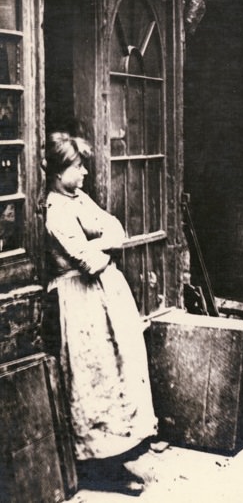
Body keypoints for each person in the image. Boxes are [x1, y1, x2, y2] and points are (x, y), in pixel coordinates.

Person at [42, 132, 157, 496]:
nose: (86, 172)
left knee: (118, 374)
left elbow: (116, 228)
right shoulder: (55, 211)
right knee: (93, 379)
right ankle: (95, 463)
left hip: (102, 300)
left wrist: (102, 244)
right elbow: (88, 261)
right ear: (60, 173)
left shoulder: (79, 199)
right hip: (78, 304)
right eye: (78, 166)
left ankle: (117, 455)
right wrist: (103, 248)